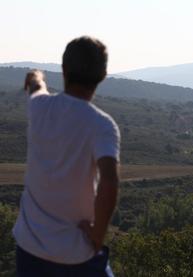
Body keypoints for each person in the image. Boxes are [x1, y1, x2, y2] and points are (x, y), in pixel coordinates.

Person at [13, 36, 120, 276]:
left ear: (64, 70)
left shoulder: (39, 107)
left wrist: (36, 76)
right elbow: (109, 182)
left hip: (29, 250)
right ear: (102, 75)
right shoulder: (102, 125)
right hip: (77, 254)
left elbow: (36, 88)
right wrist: (97, 235)